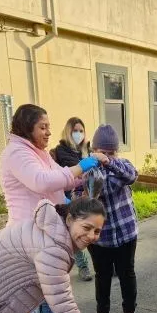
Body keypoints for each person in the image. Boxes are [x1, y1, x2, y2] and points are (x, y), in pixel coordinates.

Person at [0, 103, 108, 313]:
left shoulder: (37, 152)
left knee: (47, 296)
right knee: (49, 294)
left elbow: (58, 179)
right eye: (42, 127)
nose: (48, 132)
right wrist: (79, 167)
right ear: (27, 127)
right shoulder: (16, 153)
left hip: (45, 229)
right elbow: (41, 182)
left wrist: (82, 177)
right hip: (30, 235)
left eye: (49, 126)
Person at [87, 125, 139, 313]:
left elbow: (131, 177)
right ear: (93, 149)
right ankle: (102, 312)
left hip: (126, 232)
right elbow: (78, 192)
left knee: (127, 273)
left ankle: (129, 312)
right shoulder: (86, 168)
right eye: (102, 152)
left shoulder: (122, 164)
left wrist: (109, 163)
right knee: (102, 275)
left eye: (111, 152)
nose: (106, 156)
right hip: (100, 236)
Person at [53, 117, 93, 282]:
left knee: (92, 231)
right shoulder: (61, 150)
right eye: (75, 131)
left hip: (88, 195)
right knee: (76, 232)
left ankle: (103, 262)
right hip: (68, 197)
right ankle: (83, 266)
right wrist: (85, 164)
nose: (78, 134)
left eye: (81, 131)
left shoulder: (87, 149)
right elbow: (74, 168)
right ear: (68, 132)